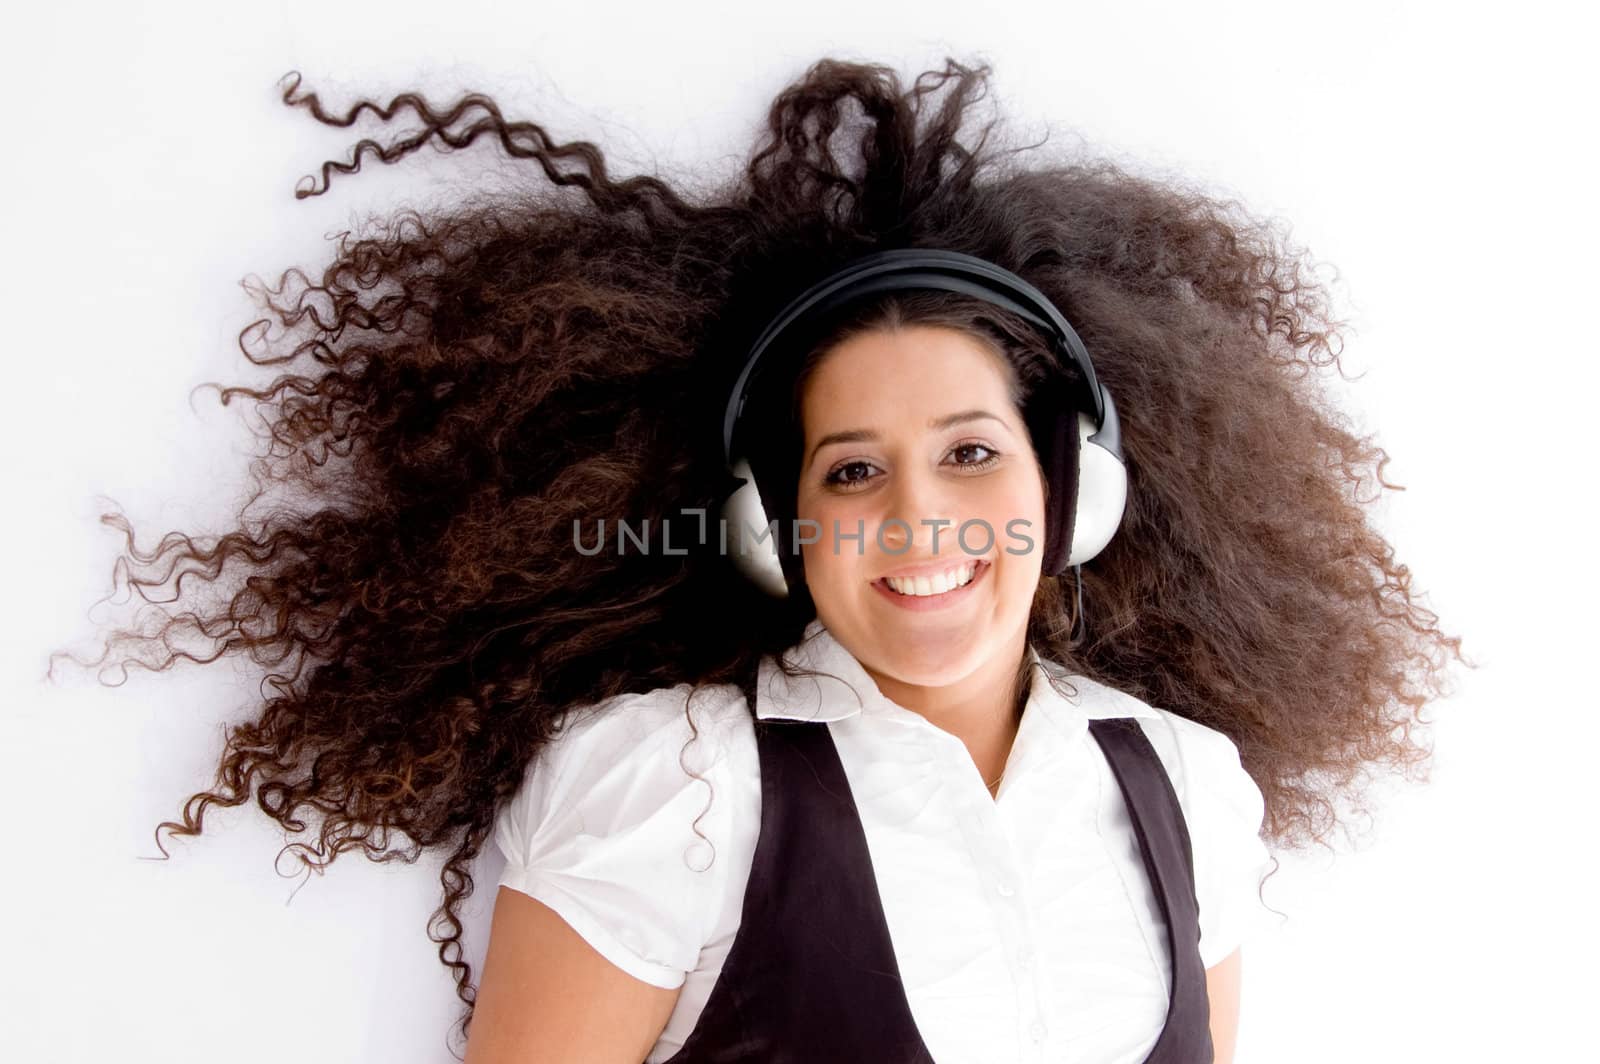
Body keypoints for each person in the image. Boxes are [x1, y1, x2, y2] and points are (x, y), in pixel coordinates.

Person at [62, 55, 1465, 1063]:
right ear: (770, 524)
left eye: (972, 451)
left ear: (1074, 486)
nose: (920, 521)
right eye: (853, 470)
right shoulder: (675, 789)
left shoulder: (1184, 784)